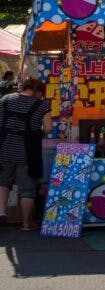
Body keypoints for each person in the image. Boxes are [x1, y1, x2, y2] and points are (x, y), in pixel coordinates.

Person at [0, 78, 52, 231]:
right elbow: (48, 128)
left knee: (3, 182)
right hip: (28, 152)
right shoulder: (42, 104)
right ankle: (26, 224)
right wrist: (38, 132)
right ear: (38, 91)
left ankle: (1, 211)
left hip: (4, 148)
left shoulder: (5, 99)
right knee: (27, 189)